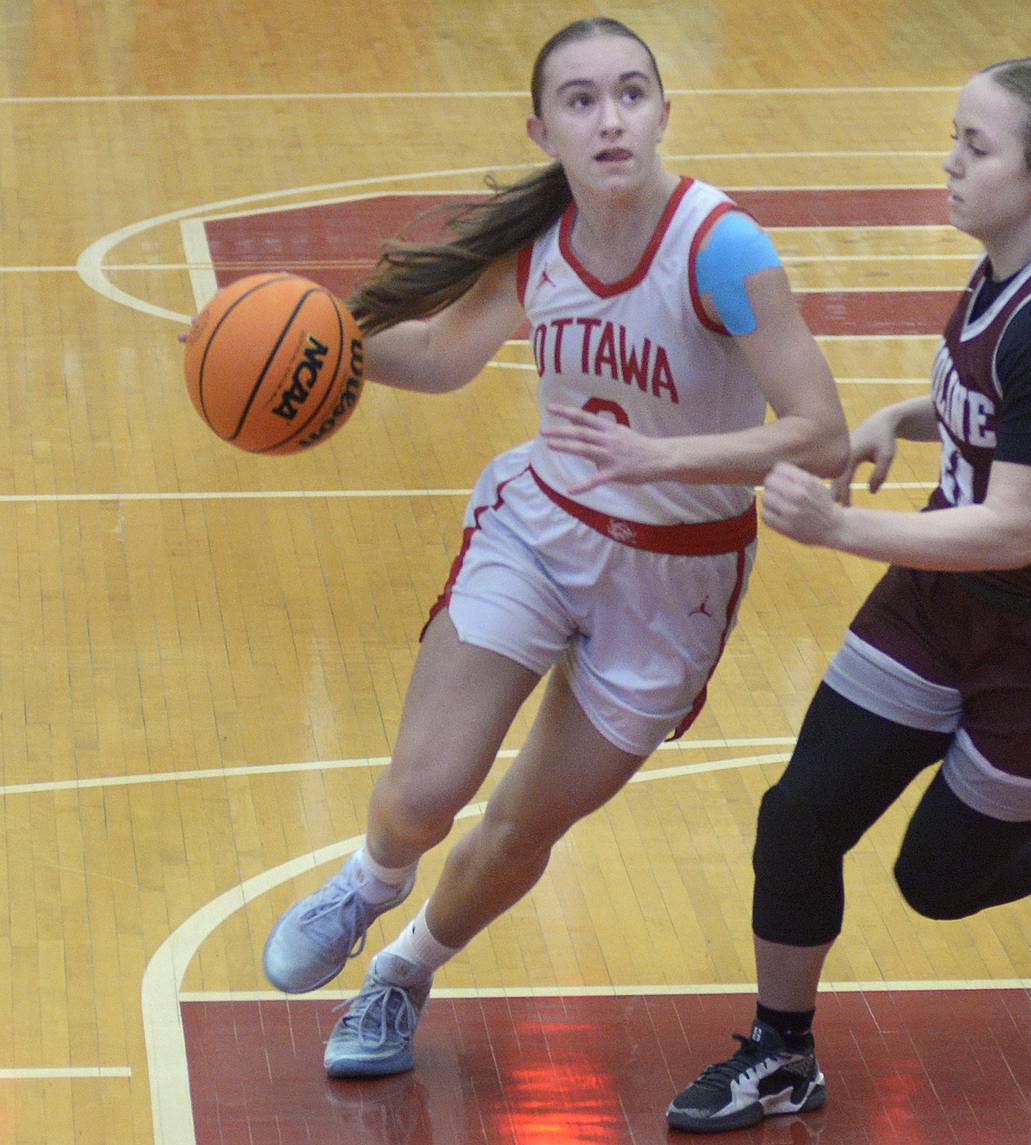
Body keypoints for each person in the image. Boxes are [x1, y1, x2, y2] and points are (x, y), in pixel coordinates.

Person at [258, 16, 847, 1080]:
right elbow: (442, 357)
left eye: (631, 93)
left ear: (664, 111)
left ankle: (404, 967)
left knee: (522, 825)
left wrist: (656, 461)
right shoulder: (542, 245)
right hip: (540, 529)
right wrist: (313, 336)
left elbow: (820, 430)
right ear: (544, 130)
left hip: (678, 576)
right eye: (581, 101)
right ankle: (366, 881)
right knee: (423, 791)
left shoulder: (723, 247)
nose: (610, 117)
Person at [666, 52, 1031, 1133]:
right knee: (799, 817)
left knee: (938, 881)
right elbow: (1005, 415)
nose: (947, 161)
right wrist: (904, 415)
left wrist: (840, 525)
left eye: (974, 146)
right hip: (946, 602)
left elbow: (1014, 525)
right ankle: (783, 1053)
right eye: (955, 135)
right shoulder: (1003, 270)